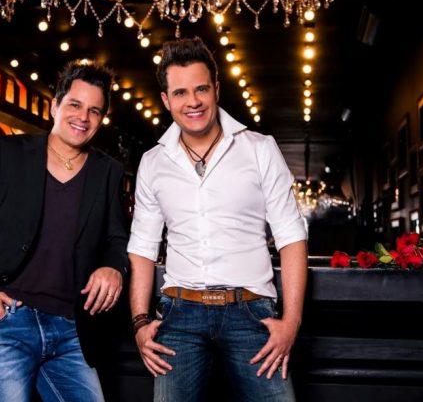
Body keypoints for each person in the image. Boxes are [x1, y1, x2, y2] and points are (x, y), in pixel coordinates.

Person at [0, 60, 129, 402]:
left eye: (94, 111)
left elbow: (116, 238)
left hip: (71, 329)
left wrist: (114, 266)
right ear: (55, 106)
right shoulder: (6, 152)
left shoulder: (108, 171)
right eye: (75, 104)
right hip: (6, 322)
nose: (83, 117)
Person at [127, 37, 308, 401]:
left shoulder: (260, 148)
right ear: (166, 100)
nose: (192, 101)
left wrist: (291, 321)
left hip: (252, 313)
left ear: (216, 89)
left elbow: (291, 237)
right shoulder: (153, 162)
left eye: (201, 89)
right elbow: (143, 247)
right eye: (180, 93)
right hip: (178, 315)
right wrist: (140, 323)